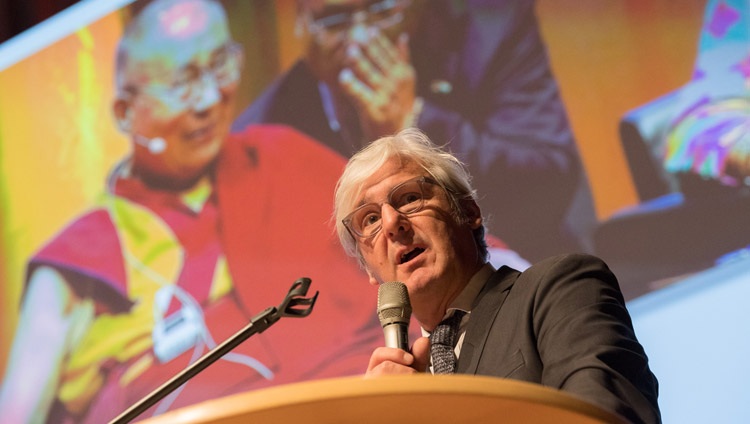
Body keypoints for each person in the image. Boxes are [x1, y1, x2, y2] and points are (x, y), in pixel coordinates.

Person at [0, 1, 381, 422]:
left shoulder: (281, 157)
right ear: (125, 112)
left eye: (219, 66)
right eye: (183, 82)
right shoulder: (80, 260)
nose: (208, 100)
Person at [332, 128, 661, 424]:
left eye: (410, 198)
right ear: (369, 271)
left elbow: (605, 414)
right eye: (370, 219)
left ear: (469, 213)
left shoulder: (558, 290)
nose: (392, 223)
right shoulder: (400, 385)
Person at [234, 0, 597, 262]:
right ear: (300, 22)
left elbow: (549, 178)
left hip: (522, 269)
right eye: (335, 19)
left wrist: (411, 123)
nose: (360, 39)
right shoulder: (263, 130)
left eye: (381, 10)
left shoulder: (491, 31)